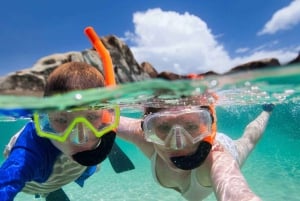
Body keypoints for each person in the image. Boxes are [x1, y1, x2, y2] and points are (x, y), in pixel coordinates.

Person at [0, 61, 132, 201]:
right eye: (62, 120)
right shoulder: (29, 152)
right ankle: (49, 192)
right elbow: (6, 183)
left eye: (92, 116)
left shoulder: (99, 127)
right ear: (46, 117)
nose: (80, 138)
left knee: (91, 161)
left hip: (76, 169)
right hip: (39, 183)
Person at [117, 94, 274, 201]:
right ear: (148, 129)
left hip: (225, 147)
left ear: (209, 126)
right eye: (164, 127)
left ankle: (267, 112)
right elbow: (105, 119)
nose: (178, 144)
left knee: (249, 139)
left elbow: (237, 193)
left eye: (191, 125)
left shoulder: (218, 161)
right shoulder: (146, 137)